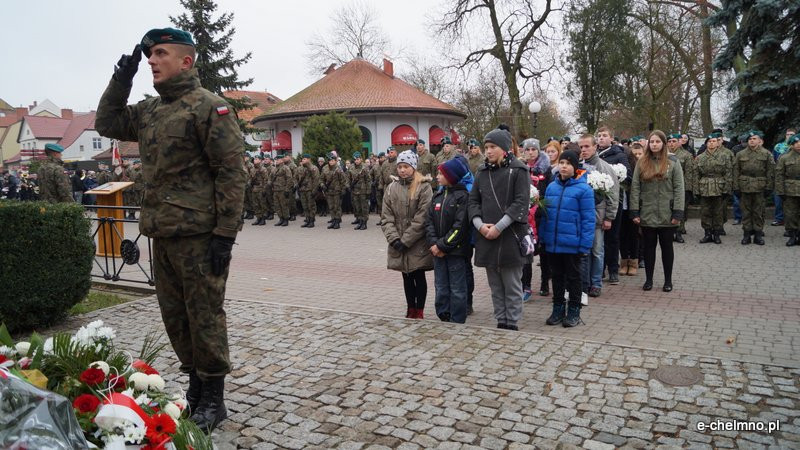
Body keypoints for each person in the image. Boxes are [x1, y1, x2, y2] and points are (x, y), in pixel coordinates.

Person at [96, 28, 247, 431]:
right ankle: (195, 388)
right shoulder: (150, 111)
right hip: (161, 232)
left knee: (205, 316)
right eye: (149, 55)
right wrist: (120, 81)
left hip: (200, 235)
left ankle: (213, 398)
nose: (151, 61)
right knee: (175, 317)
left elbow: (231, 173)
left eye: (160, 53)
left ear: (186, 60)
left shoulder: (209, 108)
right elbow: (107, 121)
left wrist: (225, 235)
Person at [468, 126, 530, 331]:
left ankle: (512, 320)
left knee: (511, 282)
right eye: (486, 147)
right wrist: (480, 225)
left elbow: (520, 203)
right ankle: (501, 318)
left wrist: (500, 226)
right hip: (486, 233)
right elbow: (473, 201)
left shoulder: (519, 170)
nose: (488, 151)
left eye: (493, 146)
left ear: (504, 148)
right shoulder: (482, 172)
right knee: (495, 283)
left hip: (510, 234)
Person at [540, 150, 595, 327]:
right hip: (553, 242)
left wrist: (585, 244)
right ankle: (557, 309)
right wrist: (543, 237)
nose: (563, 166)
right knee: (556, 277)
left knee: (574, 278)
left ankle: (574, 310)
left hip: (573, 243)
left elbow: (588, 219)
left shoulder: (584, 189)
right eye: (561, 162)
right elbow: (546, 214)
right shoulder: (551, 187)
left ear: (575, 166)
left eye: (568, 163)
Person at [630, 131, 685, 292]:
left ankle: (668, 281)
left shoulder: (673, 162)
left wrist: (678, 212)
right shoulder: (642, 162)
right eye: (652, 141)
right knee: (649, 248)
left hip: (667, 213)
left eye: (657, 141)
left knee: (667, 247)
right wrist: (635, 211)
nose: (654, 144)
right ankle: (649, 280)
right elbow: (635, 188)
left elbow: (679, 188)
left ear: (664, 143)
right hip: (647, 212)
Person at [381, 150, 433, 319]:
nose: (402, 170)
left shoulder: (423, 187)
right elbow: (386, 217)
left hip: (417, 242)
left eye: (406, 166)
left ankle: (419, 310)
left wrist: (406, 240)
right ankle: (410, 308)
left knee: (418, 274)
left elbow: (422, 217)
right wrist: (394, 238)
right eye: (400, 166)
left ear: (413, 167)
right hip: (398, 240)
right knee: (406, 276)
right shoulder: (391, 188)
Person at [426, 156, 471, 324]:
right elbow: (429, 221)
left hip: (455, 251)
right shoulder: (437, 195)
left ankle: (457, 317)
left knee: (457, 288)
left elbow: (460, 227)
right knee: (441, 285)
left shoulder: (462, 197)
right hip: (437, 252)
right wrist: (433, 243)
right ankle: (443, 313)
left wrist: (443, 245)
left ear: (451, 176)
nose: (437, 177)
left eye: (441, 174)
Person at [577, 134, 619, 298]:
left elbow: (613, 194)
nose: (584, 150)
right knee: (584, 252)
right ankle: (585, 282)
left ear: (595, 147)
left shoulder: (604, 167)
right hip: (582, 217)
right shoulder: (580, 165)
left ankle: (596, 283)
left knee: (596, 251)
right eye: (581, 147)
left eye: (587, 146)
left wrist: (609, 217)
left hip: (597, 217)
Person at [596, 126, 631, 285]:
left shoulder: (619, 155)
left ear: (611, 138)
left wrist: (615, 176)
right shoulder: (594, 154)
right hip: (597, 202)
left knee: (612, 237)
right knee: (598, 238)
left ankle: (613, 269)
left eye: (604, 135)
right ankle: (599, 268)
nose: (601, 138)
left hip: (613, 201)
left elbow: (628, 176)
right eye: (599, 136)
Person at [519, 138, 551, 301]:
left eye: (533, 149)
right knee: (527, 251)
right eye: (527, 150)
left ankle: (545, 283)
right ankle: (526, 286)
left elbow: (549, 192)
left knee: (543, 252)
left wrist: (538, 202)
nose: (530, 152)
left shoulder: (546, 169)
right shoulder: (521, 168)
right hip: (526, 217)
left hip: (541, 215)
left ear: (539, 151)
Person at [733, 130, 775, 245]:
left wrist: (769, 187)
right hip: (744, 186)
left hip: (760, 186)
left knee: (758, 212)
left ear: (759, 140)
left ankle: (758, 235)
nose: (751, 141)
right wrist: (736, 187)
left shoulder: (766, 154)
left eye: (754, 139)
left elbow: (770, 172)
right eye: (750, 139)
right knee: (746, 212)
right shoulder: (741, 154)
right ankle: (746, 235)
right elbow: (736, 171)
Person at [694, 132, 733, 244]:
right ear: (706, 144)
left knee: (718, 212)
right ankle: (707, 234)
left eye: (714, 141)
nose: (711, 143)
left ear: (718, 143)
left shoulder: (724, 156)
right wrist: (696, 190)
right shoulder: (700, 158)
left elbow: (728, 173)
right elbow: (696, 175)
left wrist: (727, 189)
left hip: (719, 187)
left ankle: (716, 234)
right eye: (709, 142)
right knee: (705, 212)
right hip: (704, 187)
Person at [620, 142, 644, 275]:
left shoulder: (637, 168)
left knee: (634, 235)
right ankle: (624, 261)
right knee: (622, 235)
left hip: (634, 206)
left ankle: (634, 261)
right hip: (622, 207)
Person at [667, 133, 695, 241]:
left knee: (680, 209)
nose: (671, 144)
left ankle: (679, 232)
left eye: (674, 141)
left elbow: (689, 173)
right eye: (669, 141)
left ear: (679, 142)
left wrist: (688, 189)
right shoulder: (664, 154)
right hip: (667, 187)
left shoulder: (686, 155)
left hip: (680, 186)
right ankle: (669, 231)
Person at [775, 134, 800, 245]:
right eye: (796, 143)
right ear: (792, 144)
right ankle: (793, 236)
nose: (798, 145)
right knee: (790, 214)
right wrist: (780, 191)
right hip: (790, 189)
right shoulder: (784, 157)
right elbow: (779, 175)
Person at [772, 128, 796, 226]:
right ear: (785, 135)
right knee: (778, 200)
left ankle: (793, 222)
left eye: (792, 134)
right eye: (788, 134)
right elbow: (773, 162)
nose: (789, 136)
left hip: (794, 179)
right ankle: (779, 219)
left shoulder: (797, 146)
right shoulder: (778, 147)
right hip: (780, 178)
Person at [321, 152, 346, 229]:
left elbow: (343, 180)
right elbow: (321, 179)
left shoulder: (339, 169)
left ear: (335, 161)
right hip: (328, 191)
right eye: (329, 160)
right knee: (331, 207)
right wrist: (322, 185)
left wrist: (343, 190)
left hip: (337, 191)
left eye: (332, 160)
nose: (331, 162)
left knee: (337, 207)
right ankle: (333, 220)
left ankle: (337, 222)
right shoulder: (325, 168)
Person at [296, 153, 320, 228]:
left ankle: (312, 221)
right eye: (302, 159)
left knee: (311, 206)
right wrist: (297, 185)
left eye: (304, 159)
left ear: (309, 159)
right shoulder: (300, 168)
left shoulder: (313, 168)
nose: (303, 160)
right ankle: (307, 219)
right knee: (305, 206)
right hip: (302, 190)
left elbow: (316, 180)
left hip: (310, 190)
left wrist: (314, 190)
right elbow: (295, 178)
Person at [349, 151, 372, 230]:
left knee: (364, 208)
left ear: (361, 159)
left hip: (363, 191)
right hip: (355, 191)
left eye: (358, 159)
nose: (356, 161)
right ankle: (360, 221)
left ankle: (364, 223)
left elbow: (368, 180)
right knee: (357, 207)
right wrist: (348, 186)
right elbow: (348, 178)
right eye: (355, 159)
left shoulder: (364, 167)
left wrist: (368, 191)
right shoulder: (351, 167)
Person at [376, 147, 397, 224]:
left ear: (395, 153)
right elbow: (381, 175)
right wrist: (380, 186)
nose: (390, 154)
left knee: (395, 204)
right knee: (386, 204)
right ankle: (386, 219)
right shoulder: (385, 163)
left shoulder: (398, 162)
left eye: (391, 152)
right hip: (386, 186)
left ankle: (396, 219)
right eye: (388, 153)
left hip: (396, 186)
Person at [271, 154, 293, 226]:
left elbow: (289, 179)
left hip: (283, 190)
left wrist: (287, 189)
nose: (276, 161)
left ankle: (286, 219)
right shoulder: (274, 169)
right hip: (276, 190)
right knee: (277, 205)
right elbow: (271, 178)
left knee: (284, 205)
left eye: (278, 160)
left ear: (282, 160)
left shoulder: (285, 168)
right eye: (276, 160)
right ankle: (281, 218)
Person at [250, 156, 269, 225]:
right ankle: (258, 218)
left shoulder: (263, 169)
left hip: (261, 189)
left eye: (256, 159)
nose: (255, 160)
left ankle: (263, 219)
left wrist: (264, 189)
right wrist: (251, 184)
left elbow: (266, 180)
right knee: (255, 205)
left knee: (262, 204)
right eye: (254, 159)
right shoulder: (252, 169)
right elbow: (250, 178)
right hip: (254, 189)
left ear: (260, 160)